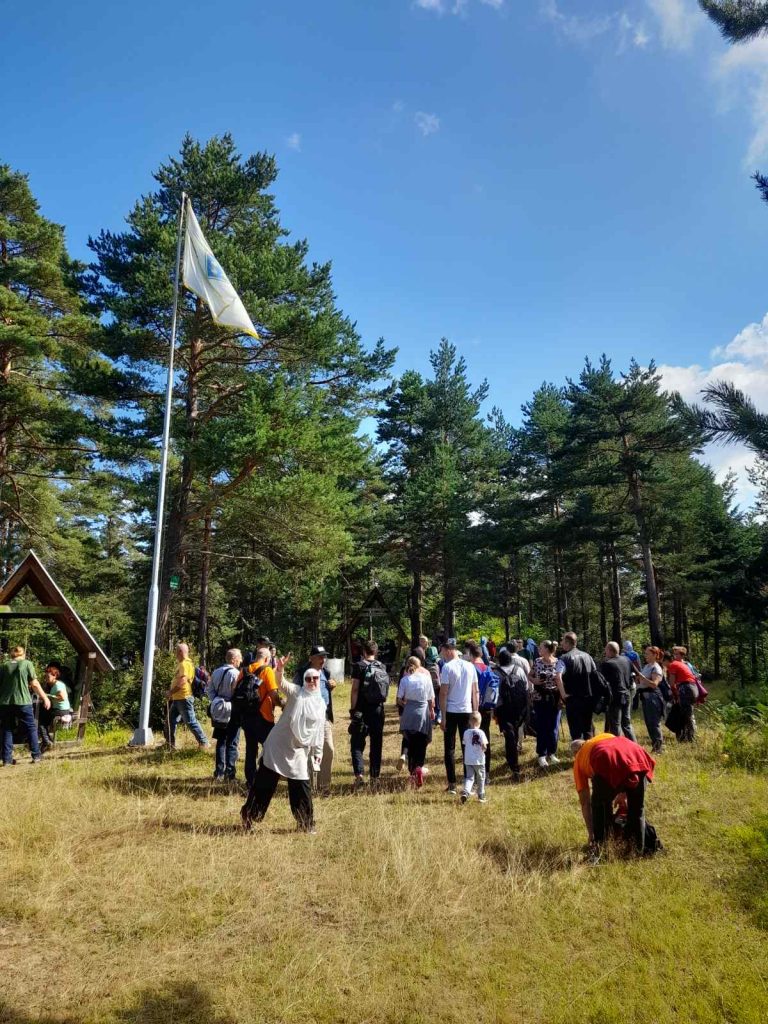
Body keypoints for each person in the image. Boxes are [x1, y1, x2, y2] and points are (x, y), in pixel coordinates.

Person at [241, 658, 325, 834]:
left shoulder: (320, 704)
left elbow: (319, 730)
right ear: (304, 680)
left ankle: (306, 823)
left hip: (298, 750)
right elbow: (282, 684)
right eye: (308, 678)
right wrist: (280, 670)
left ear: (320, 680)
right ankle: (249, 815)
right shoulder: (297, 694)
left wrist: (318, 752)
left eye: (315, 678)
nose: (312, 681)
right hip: (278, 746)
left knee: (301, 786)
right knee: (265, 783)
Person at [571, 733, 656, 858]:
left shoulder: (579, 758)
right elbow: (622, 756)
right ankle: (638, 852)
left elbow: (585, 803)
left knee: (600, 807)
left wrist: (591, 833)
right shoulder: (606, 736)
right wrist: (623, 792)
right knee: (637, 809)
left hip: (605, 759)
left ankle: (601, 850)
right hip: (638, 755)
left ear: (575, 753)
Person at [232, 646, 282, 787]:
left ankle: (251, 781)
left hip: (247, 716)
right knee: (270, 747)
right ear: (267, 659)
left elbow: (234, 689)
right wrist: (282, 704)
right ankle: (267, 778)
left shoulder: (244, 670)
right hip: (264, 716)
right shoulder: (267, 670)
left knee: (250, 749)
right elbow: (273, 694)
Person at [439, 638, 479, 796]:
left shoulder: (447, 667)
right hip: (467, 711)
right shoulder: (470, 666)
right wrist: (475, 711)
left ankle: (452, 784)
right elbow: (475, 691)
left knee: (449, 748)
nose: (442, 655)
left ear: (449, 651)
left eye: (443, 652)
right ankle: (469, 781)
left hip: (451, 711)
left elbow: (443, 693)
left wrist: (442, 716)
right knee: (468, 747)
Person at [294, 645, 336, 795]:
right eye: (319, 657)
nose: (323, 659)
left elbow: (324, 691)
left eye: (324, 656)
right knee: (309, 753)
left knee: (328, 749)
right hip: (307, 719)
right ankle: (310, 787)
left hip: (323, 718)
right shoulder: (301, 673)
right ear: (311, 658)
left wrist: (332, 686)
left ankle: (324, 786)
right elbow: (295, 693)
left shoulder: (325, 672)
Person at [0, 645, 50, 766]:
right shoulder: (27, 664)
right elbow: (35, 684)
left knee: (7, 729)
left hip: (5, 703)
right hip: (23, 701)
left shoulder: (4, 666)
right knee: (31, 727)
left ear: (12, 654)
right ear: (23, 654)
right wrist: (45, 697)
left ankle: (7, 760)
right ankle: (36, 756)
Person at [350, 640, 390, 786]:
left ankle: (359, 775)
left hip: (362, 709)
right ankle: (375, 777)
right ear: (376, 652)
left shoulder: (359, 666)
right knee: (376, 743)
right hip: (378, 710)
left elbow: (355, 689)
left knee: (356, 743)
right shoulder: (382, 666)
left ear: (364, 652)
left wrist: (353, 709)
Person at [396, 655, 434, 786]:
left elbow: (399, 699)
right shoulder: (426, 678)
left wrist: (406, 705)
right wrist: (432, 711)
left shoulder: (405, 680)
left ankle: (411, 770)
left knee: (409, 740)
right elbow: (430, 698)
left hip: (408, 712)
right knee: (421, 741)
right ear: (419, 666)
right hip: (422, 712)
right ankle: (418, 766)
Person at [164, 642, 209, 750]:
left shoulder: (185, 664)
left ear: (180, 652)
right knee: (170, 721)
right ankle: (170, 744)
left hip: (184, 698)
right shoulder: (182, 664)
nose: (175, 654)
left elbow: (183, 681)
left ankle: (204, 743)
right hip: (178, 698)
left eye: (176, 651)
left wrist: (171, 692)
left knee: (190, 721)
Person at [529, 640, 567, 768]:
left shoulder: (558, 662)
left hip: (554, 698)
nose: (538, 649)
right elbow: (529, 675)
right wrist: (535, 680)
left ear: (547, 649)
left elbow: (562, 681)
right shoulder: (537, 661)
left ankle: (552, 752)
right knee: (542, 726)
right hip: (540, 697)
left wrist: (562, 697)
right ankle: (541, 754)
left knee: (553, 726)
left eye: (541, 647)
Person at [206, 648, 243, 780]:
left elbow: (209, 690)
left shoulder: (216, 672)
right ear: (234, 659)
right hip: (232, 711)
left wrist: (217, 701)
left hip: (218, 710)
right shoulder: (236, 674)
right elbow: (238, 694)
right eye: (239, 658)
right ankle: (230, 773)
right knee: (232, 741)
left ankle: (219, 772)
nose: (241, 661)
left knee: (221, 741)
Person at [493, 649, 530, 779]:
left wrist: (495, 710)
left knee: (509, 735)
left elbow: (494, 693)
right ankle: (512, 760)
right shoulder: (519, 670)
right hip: (519, 708)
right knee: (514, 732)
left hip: (504, 709)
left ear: (499, 660)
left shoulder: (496, 673)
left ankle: (513, 764)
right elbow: (526, 687)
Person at [467, 640, 494, 778]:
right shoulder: (487, 668)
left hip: (473, 708)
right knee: (485, 737)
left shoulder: (470, 668)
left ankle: (472, 772)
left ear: (470, 655)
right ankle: (486, 772)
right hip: (487, 707)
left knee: (471, 739)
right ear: (481, 654)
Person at [600, 641, 636, 741]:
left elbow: (602, 682)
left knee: (615, 724)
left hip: (615, 697)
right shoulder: (626, 660)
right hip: (627, 694)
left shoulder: (607, 664)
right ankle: (635, 746)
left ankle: (617, 746)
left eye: (606, 649)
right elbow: (632, 676)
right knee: (627, 724)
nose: (605, 651)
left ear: (609, 650)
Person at [663, 649, 698, 742]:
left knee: (687, 715)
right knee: (687, 714)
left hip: (686, 689)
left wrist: (675, 695)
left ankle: (691, 739)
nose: (663, 664)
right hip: (692, 688)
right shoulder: (680, 664)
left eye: (663, 662)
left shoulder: (673, 665)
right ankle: (686, 737)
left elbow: (672, 684)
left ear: (666, 661)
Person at [38, 663, 73, 752]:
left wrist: (48, 696)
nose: (46, 678)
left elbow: (62, 697)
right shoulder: (53, 684)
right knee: (44, 716)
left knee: (41, 722)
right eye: (46, 676)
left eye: (48, 677)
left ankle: (46, 742)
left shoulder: (58, 685)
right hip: (60, 709)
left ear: (55, 676)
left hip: (61, 710)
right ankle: (47, 740)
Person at [637, 646, 665, 753]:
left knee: (654, 722)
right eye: (645, 653)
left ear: (654, 655)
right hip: (645, 697)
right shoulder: (647, 666)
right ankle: (655, 746)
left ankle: (659, 748)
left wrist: (642, 678)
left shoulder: (656, 668)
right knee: (649, 723)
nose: (645, 656)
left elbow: (654, 684)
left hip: (653, 697)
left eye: (647, 654)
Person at [461, 711, 488, 803]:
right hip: (479, 760)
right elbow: (484, 745)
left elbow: (464, 743)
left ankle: (466, 791)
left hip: (468, 760)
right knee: (481, 777)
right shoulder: (481, 732)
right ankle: (481, 795)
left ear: (469, 722)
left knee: (469, 777)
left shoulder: (466, 732)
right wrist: (484, 749)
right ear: (480, 722)